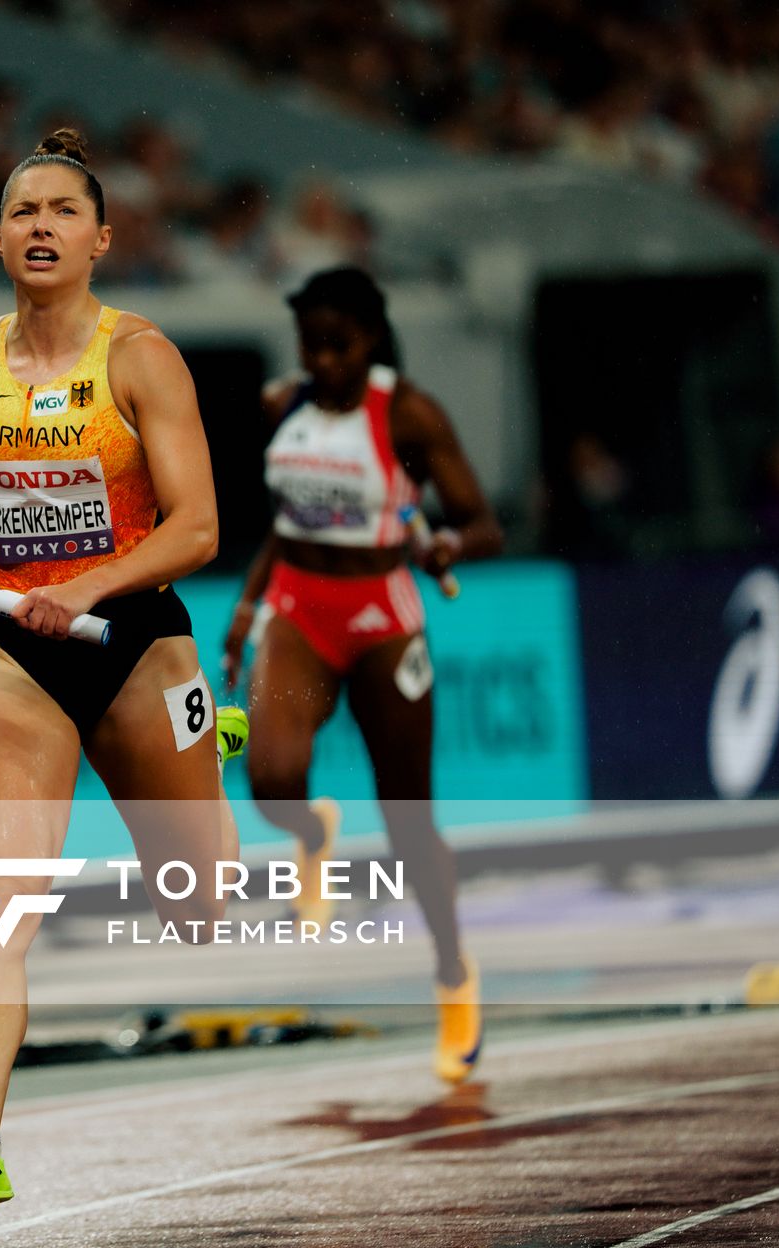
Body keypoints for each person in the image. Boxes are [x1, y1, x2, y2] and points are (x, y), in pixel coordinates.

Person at [0, 129, 248, 1222]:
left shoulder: (141, 357)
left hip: (135, 640)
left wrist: (92, 586)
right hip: (15, 652)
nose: (41, 226)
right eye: (24, 211)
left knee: (202, 908)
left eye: (64, 211)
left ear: (101, 238)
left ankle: (213, 733)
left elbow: (201, 526)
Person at [223, 266, 502, 1086]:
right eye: (312, 347)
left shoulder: (408, 413)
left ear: (371, 339)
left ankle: (453, 972)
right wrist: (246, 611)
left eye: (339, 347)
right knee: (271, 779)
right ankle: (314, 836)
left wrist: (448, 545)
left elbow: (484, 523)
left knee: (411, 824)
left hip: (381, 620)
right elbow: (284, 526)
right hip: (299, 611)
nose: (325, 363)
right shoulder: (286, 405)